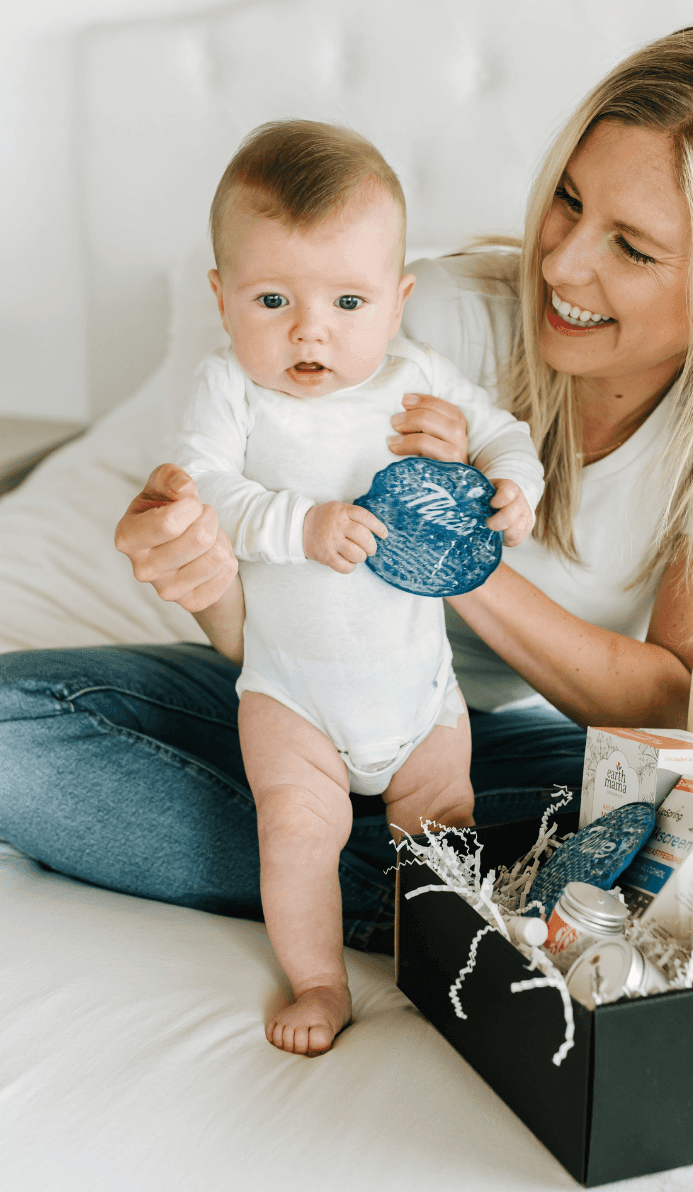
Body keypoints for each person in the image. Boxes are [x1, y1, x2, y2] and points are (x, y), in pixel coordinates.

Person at [0, 21, 693, 981]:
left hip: (484, 742)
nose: (564, 265)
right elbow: (271, 632)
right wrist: (204, 575)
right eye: (568, 201)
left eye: (632, 247)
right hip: (306, 696)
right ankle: (449, 904)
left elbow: (679, 711)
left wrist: (445, 543)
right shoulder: (421, 324)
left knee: (665, 819)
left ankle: (363, 883)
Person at [175, 120, 543, 1055]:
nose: (311, 329)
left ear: (397, 300)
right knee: (295, 832)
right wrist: (300, 524)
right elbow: (207, 491)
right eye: (271, 298)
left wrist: (510, 487)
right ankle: (320, 978)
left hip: (421, 701)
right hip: (293, 700)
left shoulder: (416, 379)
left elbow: (502, 432)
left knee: (444, 828)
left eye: (347, 300)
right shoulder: (231, 392)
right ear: (221, 299)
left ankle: (441, 964)